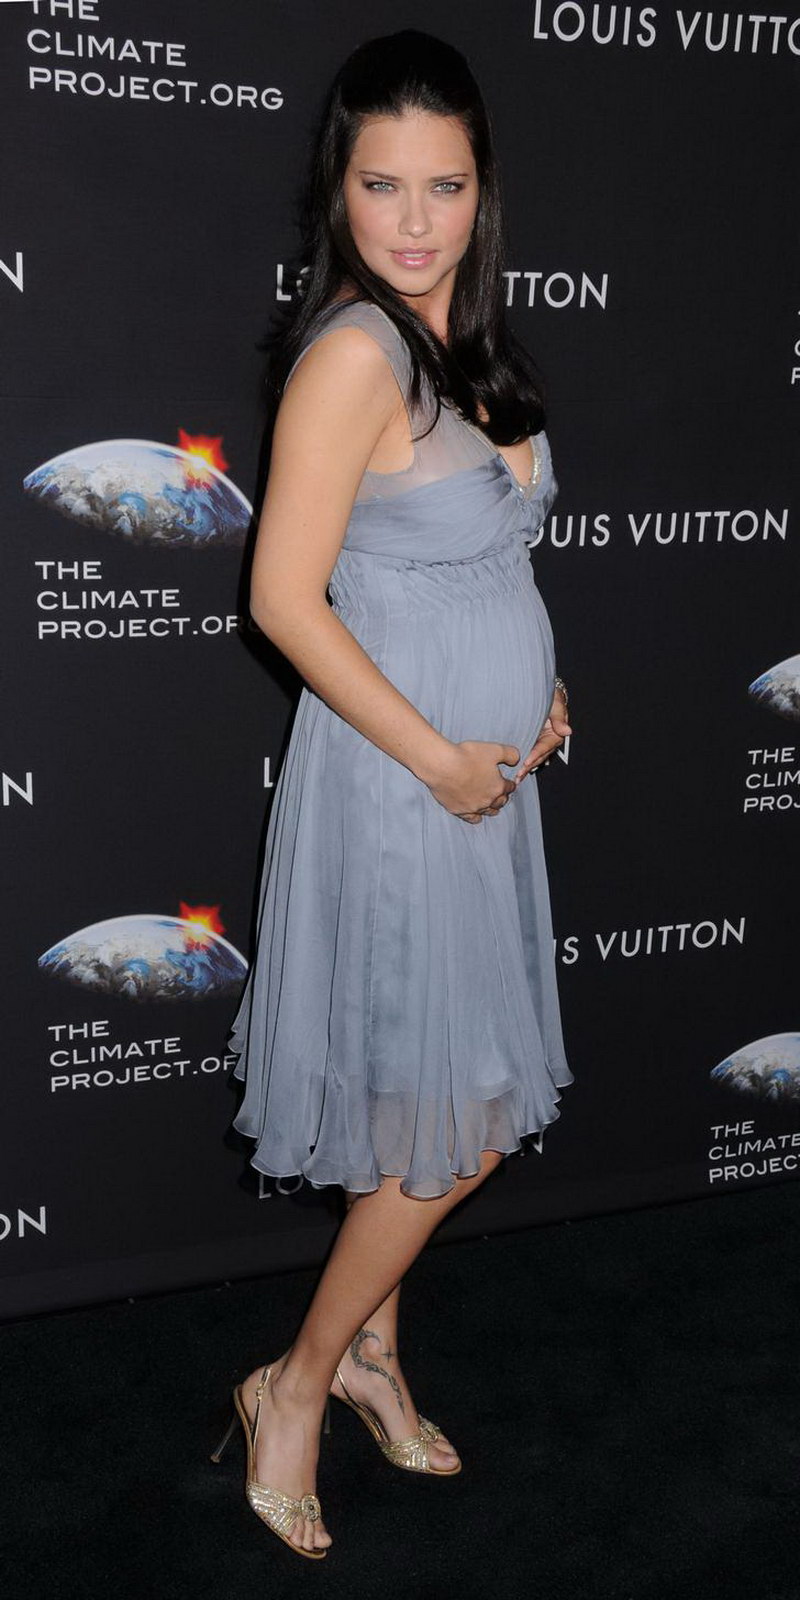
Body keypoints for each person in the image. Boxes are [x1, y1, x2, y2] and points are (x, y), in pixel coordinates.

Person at [211, 28, 574, 1559]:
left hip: (481, 783)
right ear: (337, 191)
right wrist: (440, 756)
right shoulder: (355, 353)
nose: (415, 220)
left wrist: (538, 691)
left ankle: (372, 1353)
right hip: (407, 787)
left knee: (420, 1099)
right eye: (382, 185)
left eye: (446, 185)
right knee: (459, 1120)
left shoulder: (464, 344)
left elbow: (480, 555)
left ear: (483, 191)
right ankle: (293, 1384)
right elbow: (281, 599)